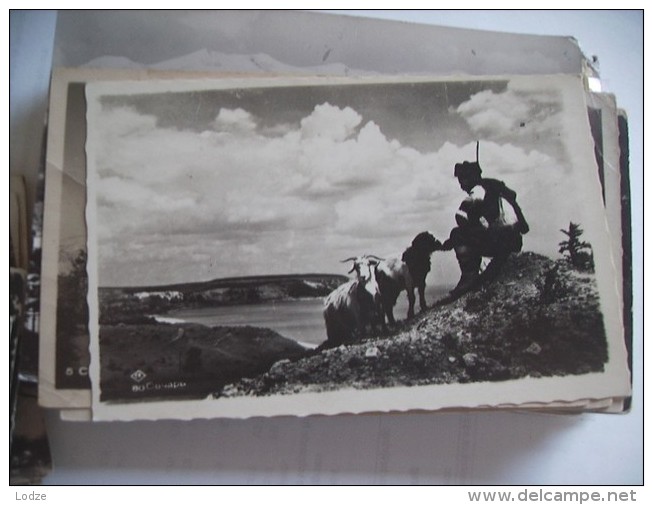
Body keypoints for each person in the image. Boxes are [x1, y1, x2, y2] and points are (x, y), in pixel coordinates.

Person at [437, 159, 529, 304]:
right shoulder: (498, 187)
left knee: (457, 233)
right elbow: (524, 227)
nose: (461, 185)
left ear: (472, 178)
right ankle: (486, 270)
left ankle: (469, 276)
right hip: (514, 241)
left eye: (463, 180)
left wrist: (457, 238)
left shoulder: (478, 189)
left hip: (500, 241)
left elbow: (460, 215)